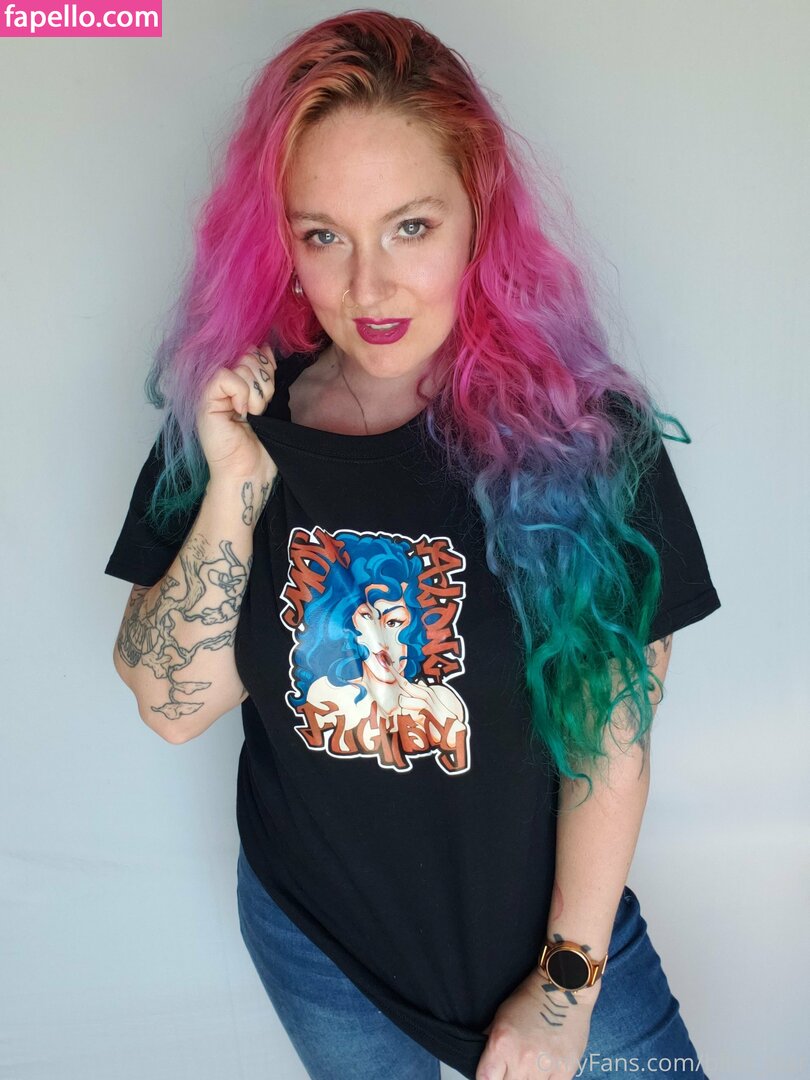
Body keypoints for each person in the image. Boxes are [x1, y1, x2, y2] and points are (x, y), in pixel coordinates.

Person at [104, 10, 722, 1079]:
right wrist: (239, 484)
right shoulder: (236, 413)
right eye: (323, 235)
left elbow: (611, 739)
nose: (369, 289)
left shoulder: (584, 442)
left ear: (478, 213)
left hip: (550, 948)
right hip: (318, 945)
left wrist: (566, 990)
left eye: (410, 227)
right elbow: (171, 705)